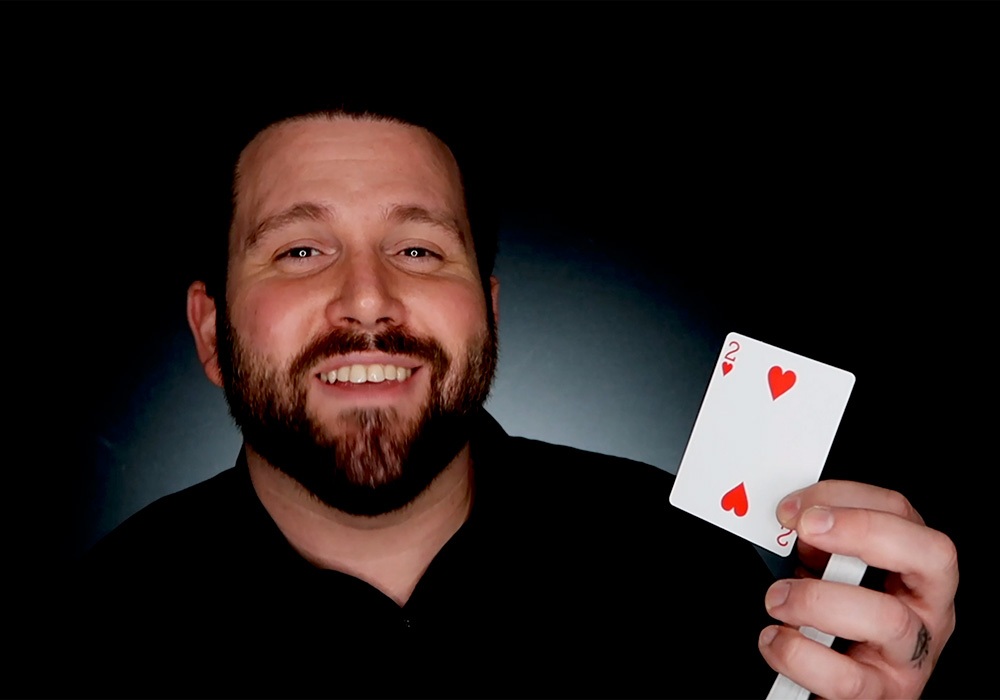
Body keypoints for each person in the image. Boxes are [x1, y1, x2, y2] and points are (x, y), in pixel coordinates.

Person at [48, 104, 957, 699]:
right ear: (212, 335)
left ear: (487, 315)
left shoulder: (691, 578)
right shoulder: (87, 645)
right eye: (299, 251)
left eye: (416, 250)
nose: (367, 300)